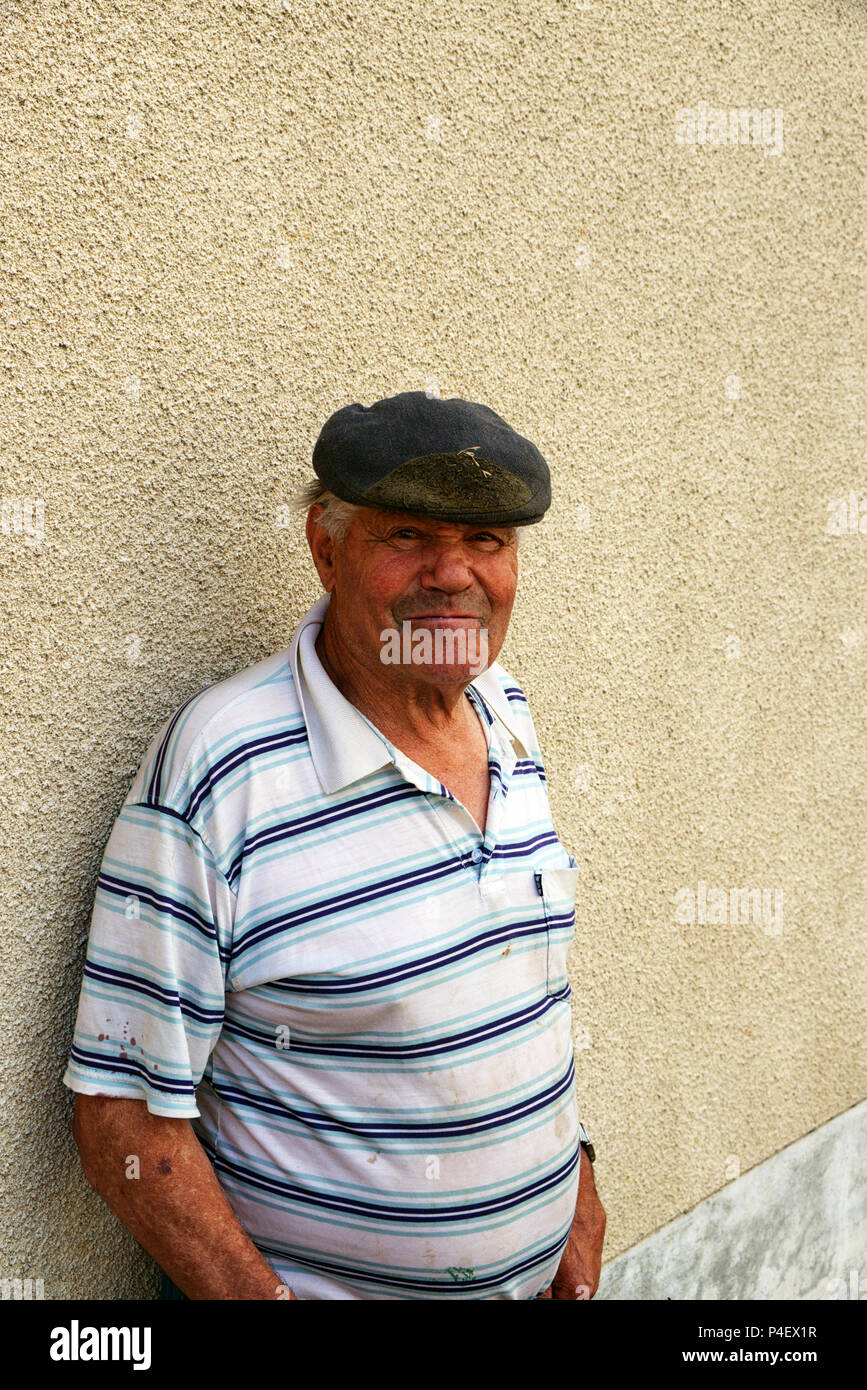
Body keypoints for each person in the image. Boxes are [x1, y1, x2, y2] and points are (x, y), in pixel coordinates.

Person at [65, 389, 606, 1300]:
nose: (452, 574)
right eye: (406, 538)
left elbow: (522, 987)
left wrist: (574, 1182)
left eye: (486, 542)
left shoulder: (504, 710)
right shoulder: (221, 767)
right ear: (326, 547)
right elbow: (121, 1113)